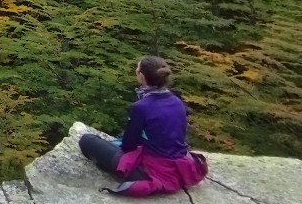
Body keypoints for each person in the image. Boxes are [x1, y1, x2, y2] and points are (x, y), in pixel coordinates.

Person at [79, 55, 208, 196]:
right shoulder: (176, 101)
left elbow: (129, 146)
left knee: (87, 140)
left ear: (141, 75)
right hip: (181, 166)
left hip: (151, 170)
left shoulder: (141, 107)